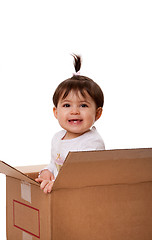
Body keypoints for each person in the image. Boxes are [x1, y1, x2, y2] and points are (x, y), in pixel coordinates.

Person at [35, 54, 105, 193]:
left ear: (97, 113)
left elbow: (83, 176)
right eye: (67, 105)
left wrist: (58, 184)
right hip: (60, 193)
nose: (74, 111)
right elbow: (54, 164)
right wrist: (46, 172)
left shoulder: (92, 143)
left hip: (80, 196)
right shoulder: (57, 138)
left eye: (83, 106)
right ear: (56, 112)